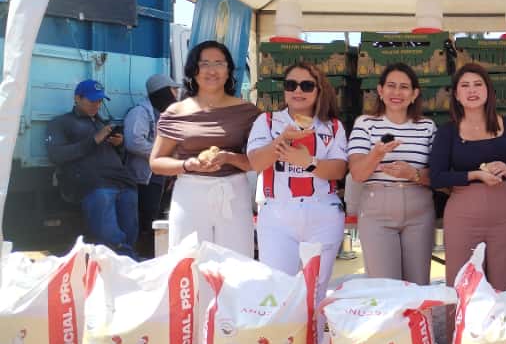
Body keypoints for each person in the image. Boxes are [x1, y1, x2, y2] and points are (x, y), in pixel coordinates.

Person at [247, 61, 349, 310]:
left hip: (323, 215)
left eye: (306, 85)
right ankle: (283, 338)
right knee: (279, 292)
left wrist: (308, 162)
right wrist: (282, 139)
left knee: (316, 293)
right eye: (291, 85)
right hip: (277, 216)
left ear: (319, 90)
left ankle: (315, 336)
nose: (298, 91)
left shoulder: (333, 126)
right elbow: (256, 162)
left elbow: (339, 170)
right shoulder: (267, 121)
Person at [150, 40, 260, 256]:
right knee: (188, 261)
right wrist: (187, 165)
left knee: (236, 263)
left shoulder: (248, 112)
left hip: (233, 194)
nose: (212, 70)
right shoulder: (176, 112)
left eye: (219, 63)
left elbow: (257, 161)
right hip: (189, 194)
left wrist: (229, 158)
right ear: (194, 70)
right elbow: (156, 162)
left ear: (229, 70)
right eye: (204, 63)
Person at [429, 63, 506, 290]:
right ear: (456, 94)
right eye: (465, 85)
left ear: (488, 90)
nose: (472, 90)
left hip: (505, 215)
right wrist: (475, 175)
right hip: (462, 216)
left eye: (478, 84)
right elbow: (437, 177)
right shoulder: (448, 132)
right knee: (464, 284)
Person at [347, 63, 436, 284]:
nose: (397, 92)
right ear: (380, 90)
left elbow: (438, 175)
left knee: (418, 285)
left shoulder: (427, 126)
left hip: (420, 211)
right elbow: (357, 174)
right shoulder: (365, 124)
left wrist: (413, 173)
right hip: (376, 211)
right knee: (384, 287)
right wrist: (377, 154)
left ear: (414, 94)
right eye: (391, 86)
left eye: (404, 87)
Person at [45, 79, 139, 257]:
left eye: (99, 100)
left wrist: (119, 144)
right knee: (104, 202)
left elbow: (117, 156)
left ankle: (127, 254)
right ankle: (123, 255)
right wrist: (94, 140)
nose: (97, 105)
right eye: (92, 100)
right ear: (77, 98)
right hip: (92, 182)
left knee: (130, 211)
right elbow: (56, 155)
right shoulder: (61, 123)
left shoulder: (102, 123)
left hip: (120, 180)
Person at [123, 74, 178, 257]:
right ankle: (143, 255)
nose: (176, 94)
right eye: (173, 89)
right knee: (147, 217)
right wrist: (160, 154)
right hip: (145, 177)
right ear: (162, 92)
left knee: (158, 216)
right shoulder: (140, 112)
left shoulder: (163, 113)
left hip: (161, 175)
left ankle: (153, 253)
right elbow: (134, 142)